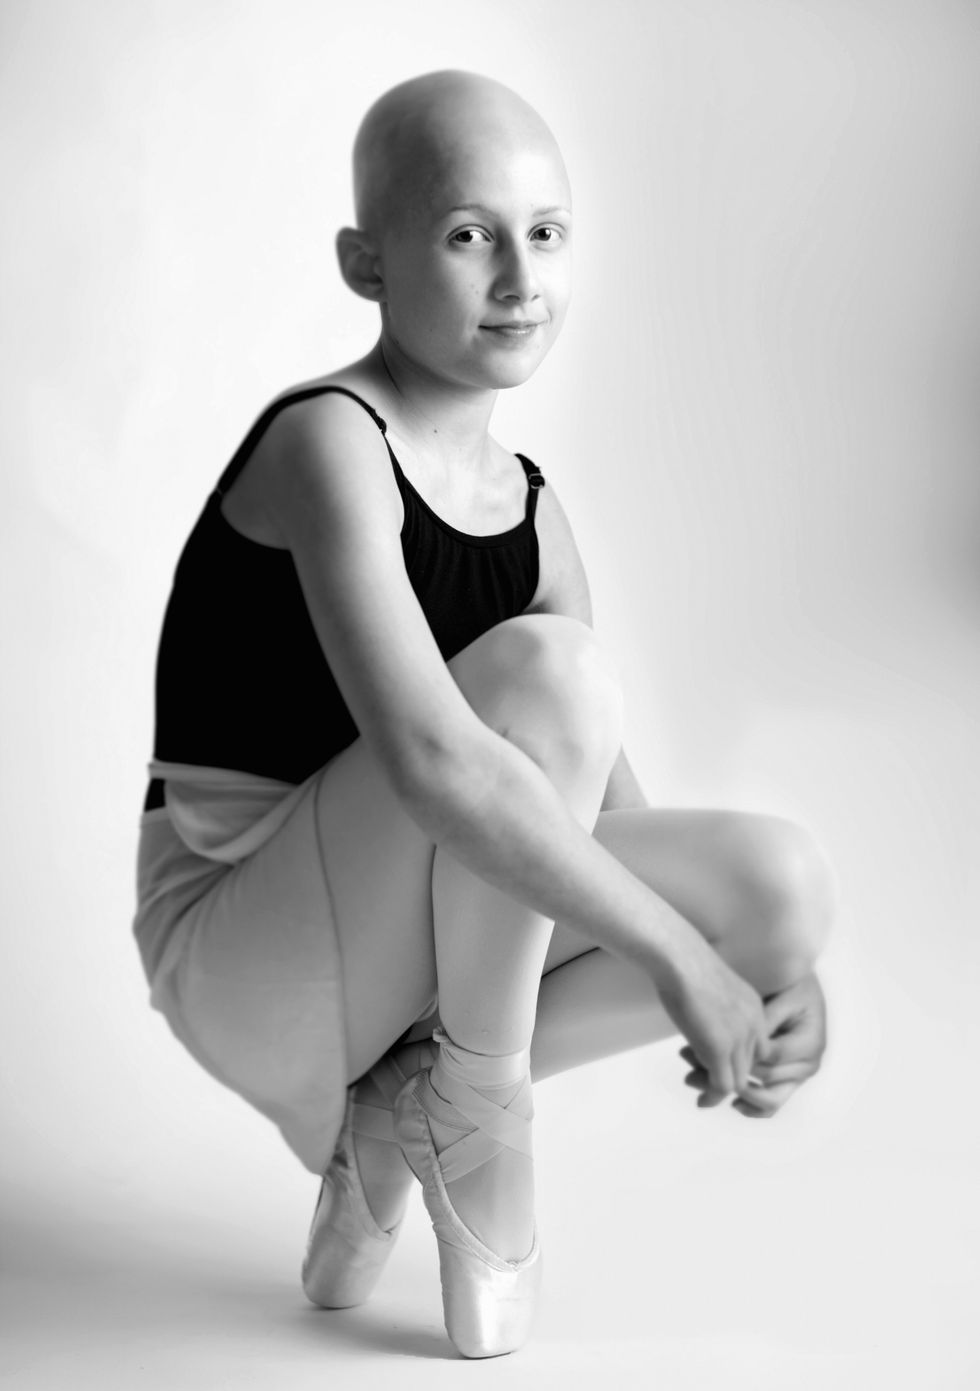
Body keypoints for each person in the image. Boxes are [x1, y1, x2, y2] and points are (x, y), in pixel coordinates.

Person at [132, 69, 835, 1359]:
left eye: (547, 232)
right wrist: (690, 969)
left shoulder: (537, 511)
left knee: (780, 888)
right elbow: (439, 764)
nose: (520, 275)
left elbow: (611, 834)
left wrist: (761, 970)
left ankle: (417, 1110)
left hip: (392, 965)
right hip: (238, 943)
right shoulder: (327, 443)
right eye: (468, 234)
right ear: (367, 261)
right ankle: (481, 1127)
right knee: (552, 679)